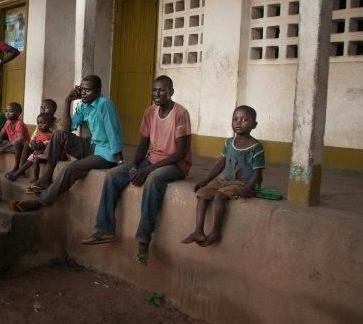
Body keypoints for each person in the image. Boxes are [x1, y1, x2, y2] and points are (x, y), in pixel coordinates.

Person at [81, 76, 191, 265]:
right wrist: (133, 165)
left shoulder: (181, 113)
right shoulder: (149, 112)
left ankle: (143, 239)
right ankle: (105, 228)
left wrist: (147, 171)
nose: (157, 94)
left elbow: (180, 152)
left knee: (154, 179)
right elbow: (143, 144)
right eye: (154, 90)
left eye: (162, 90)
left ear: (171, 92)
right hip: (151, 159)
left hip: (176, 164)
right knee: (114, 175)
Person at [9, 75, 123, 211]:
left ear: (98, 91)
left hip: (106, 153)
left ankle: (40, 202)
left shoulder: (104, 104)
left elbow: (113, 132)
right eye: (82, 90)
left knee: (70, 168)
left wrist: (119, 162)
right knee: (58, 135)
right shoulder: (84, 105)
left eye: (88, 90)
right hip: (91, 146)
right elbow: (66, 129)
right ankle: (47, 178)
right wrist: (67, 101)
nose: (84, 93)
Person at [182, 106, 264, 247]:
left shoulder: (256, 147)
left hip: (242, 183)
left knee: (219, 196)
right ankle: (198, 230)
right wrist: (206, 180)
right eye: (235, 119)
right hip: (225, 180)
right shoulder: (228, 142)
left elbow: (257, 172)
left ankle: (215, 232)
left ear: (254, 125)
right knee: (203, 194)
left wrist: (249, 187)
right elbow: (221, 164)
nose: (239, 122)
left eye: (245, 119)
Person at [6, 112, 55, 182]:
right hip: (36, 153)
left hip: (44, 154)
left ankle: (34, 177)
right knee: (29, 161)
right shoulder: (37, 131)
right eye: (38, 123)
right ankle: (16, 175)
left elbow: (50, 144)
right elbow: (33, 138)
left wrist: (43, 144)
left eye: (43, 123)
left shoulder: (51, 135)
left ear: (50, 125)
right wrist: (33, 142)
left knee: (34, 160)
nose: (40, 125)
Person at [0, 102, 29, 178]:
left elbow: (20, 139)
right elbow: (1, 133)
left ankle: (16, 167)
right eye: (6, 111)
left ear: (18, 113)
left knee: (17, 144)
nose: (7, 113)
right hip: (12, 145)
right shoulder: (7, 122)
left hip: (22, 148)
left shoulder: (19, 123)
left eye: (10, 111)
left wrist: (3, 148)